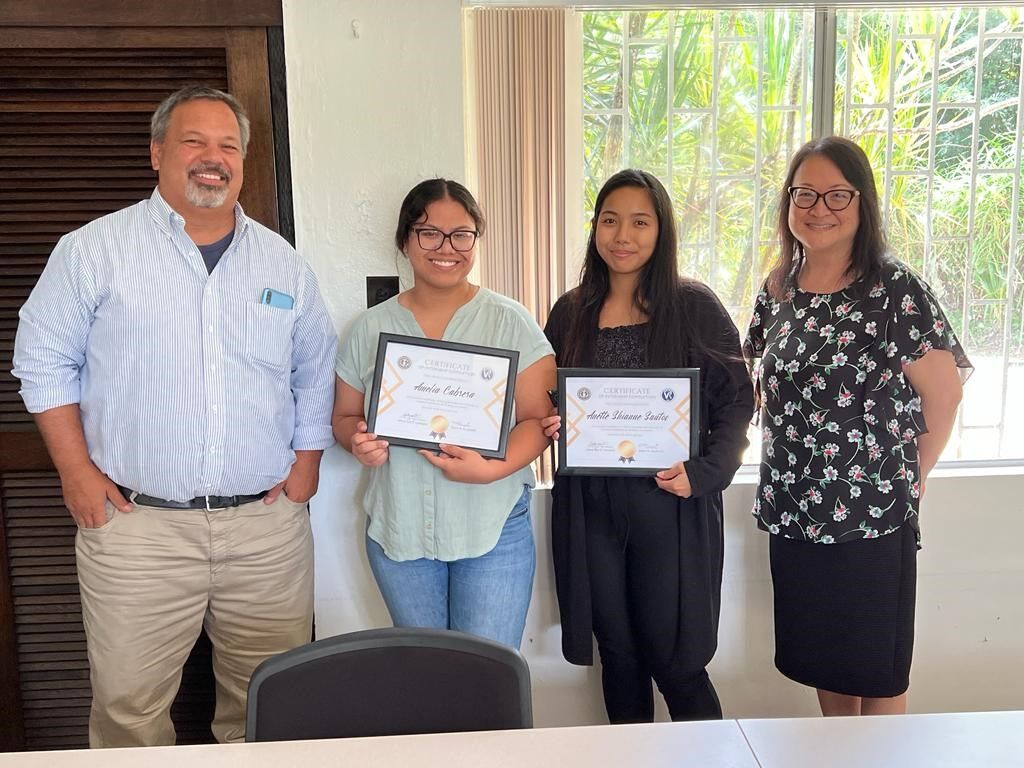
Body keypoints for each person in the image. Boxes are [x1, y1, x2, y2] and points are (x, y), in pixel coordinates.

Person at [12, 85, 337, 747]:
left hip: (265, 532)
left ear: (244, 161)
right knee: (130, 711)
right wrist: (74, 469)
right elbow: (41, 361)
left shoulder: (285, 266)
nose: (211, 158)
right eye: (194, 141)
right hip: (137, 530)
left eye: (227, 145)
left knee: (268, 706)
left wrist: (307, 464)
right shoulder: (91, 252)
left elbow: (315, 369)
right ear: (157, 152)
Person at [743, 136, 971, 716]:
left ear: (862, 203)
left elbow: (943, 394)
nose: (818, 208)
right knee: (827, 666)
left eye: (837, 195)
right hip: (796, 511)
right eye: (804, 194)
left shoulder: (894, 289)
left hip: (871, 514)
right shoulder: (777, 292)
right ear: (788, 203)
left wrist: (913, 474)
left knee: (877, 676)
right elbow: (757, 387)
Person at [542, 169, 753, 723]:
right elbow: (545, 401)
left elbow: (737, 401)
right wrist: (551, 422)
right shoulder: (571, 312)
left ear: (662, 231)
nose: (622, 235)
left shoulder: (693, 305)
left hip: (671, 507)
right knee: (620, 657)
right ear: (594, 229)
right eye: (609, 220)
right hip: (591, 513)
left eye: (639, 221)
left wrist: (706, 473)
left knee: (677, 660)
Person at [333, 179, 555, 649]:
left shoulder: (511, 321)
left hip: (492, 527)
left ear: (476, 240)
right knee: (429, 681)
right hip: (401, 529)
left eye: (462, 234)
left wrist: (489, 467)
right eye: (429, 233)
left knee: (490, 679)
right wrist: (358, 440)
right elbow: (344, 416)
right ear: (405, 239)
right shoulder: (370, 329)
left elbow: (539, 422)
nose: (446, 248)